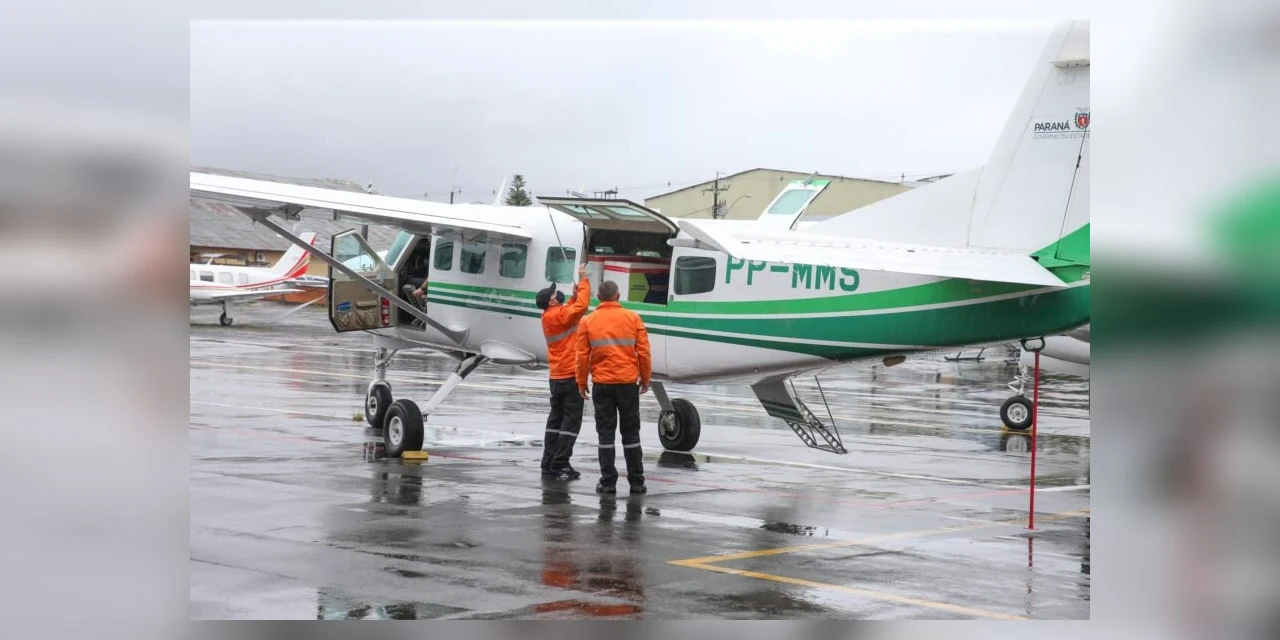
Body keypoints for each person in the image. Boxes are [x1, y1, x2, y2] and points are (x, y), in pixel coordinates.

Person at [574, 280, 651, 494]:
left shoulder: (588, 321)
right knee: (631, 434)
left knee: (605, 434)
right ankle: (637, 482)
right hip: (627, 384)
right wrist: (645, 379)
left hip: (602, 384)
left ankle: (608, 482)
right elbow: (643, 352)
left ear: (598, 298)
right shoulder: (632, 318)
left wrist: (581, 382)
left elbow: (581, 356)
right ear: (618, 296)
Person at [536, 264, 592, 480]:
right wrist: (584, 279)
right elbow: (581, 308)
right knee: (571, 422)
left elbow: (571, 309)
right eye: (553, 293)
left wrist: (574, 295)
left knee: (555, 421)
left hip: (557, 376)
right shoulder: (557, 315)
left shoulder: (550, 316)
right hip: (569, 376)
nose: (555, 293)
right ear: (551, 301)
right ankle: (560, 463)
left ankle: (548, 461)